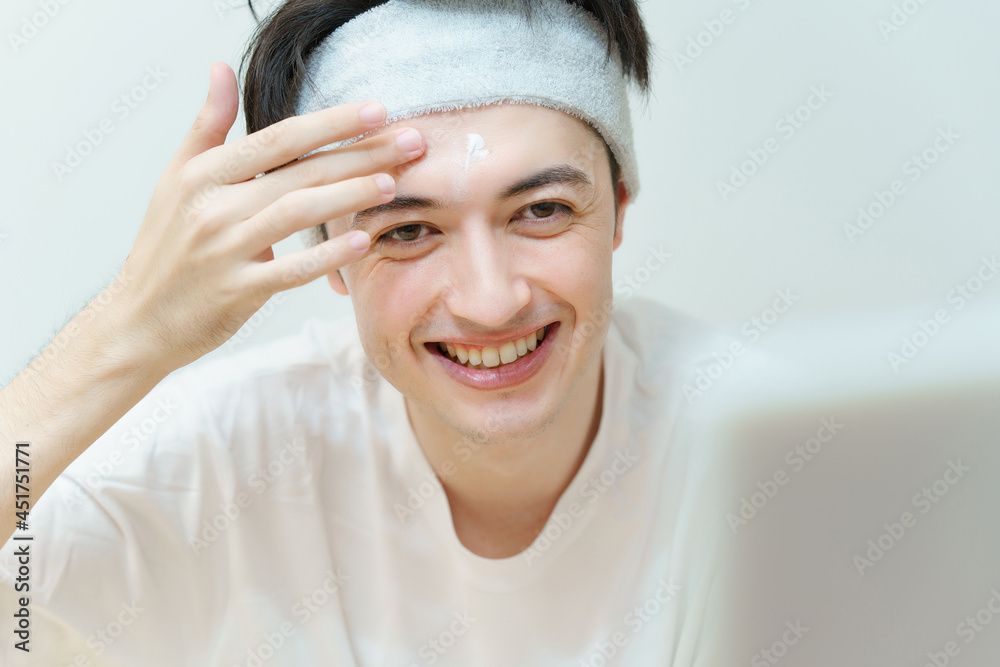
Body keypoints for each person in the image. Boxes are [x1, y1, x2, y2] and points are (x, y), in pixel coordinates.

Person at [0, 0, 746, 664]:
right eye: (409, 230)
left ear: (617, 208)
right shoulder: (219, 465)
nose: (491, 302)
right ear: (329, 251)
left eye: (542, 210)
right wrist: (130, 327)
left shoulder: (756, 448)